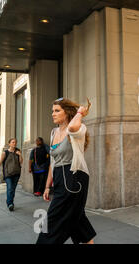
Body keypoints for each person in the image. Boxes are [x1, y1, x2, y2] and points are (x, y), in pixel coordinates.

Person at [36, 98, 96, 244]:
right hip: (59, 178)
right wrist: (47, 186)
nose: (53, 114)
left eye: (57, 111)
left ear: (67, 112)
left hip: (73, 178)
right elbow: (53, 161)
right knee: (78, 221)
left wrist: (80, 112)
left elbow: (73, 127)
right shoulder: (53, 132)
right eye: (52, 111)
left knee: (52, 221)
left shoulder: (78, 128)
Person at [0, 138, 23, 211]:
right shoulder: (5, 153)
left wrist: (20, 155)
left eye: (15, 142)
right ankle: (10, 203)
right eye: (13, 142)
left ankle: (10, 201)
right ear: (9, 144)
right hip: (8, 174)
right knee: (9, 188)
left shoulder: (18, 151)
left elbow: (21, 162)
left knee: (13, 189)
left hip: (16, 173)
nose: (14, 143)